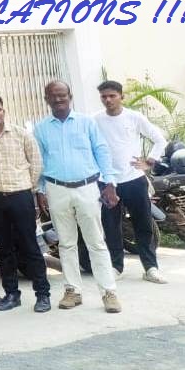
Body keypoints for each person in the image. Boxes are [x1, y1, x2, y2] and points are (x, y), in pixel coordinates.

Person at [33, 81, 122, 313]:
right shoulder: (41, 129)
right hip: (56, 189)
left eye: (62, 95)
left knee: (96, 242)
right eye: (53, 96)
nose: (58, 99)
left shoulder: (86, 122)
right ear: (46, 99)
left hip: (87, 187)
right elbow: (39, 161)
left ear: (70, 96)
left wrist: (109, 183)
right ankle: (73, 291)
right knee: (66, 243)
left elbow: (101, 150)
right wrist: (40, 190)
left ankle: (109, 292)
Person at [0, 95, 51, 313]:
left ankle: (43, 294)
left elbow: (36, 163)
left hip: (20, 196)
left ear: (3, 111)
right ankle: (12, 294)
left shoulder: (21, 134)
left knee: (30, 246)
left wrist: (26, 186)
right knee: (4, 249)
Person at [93, 80, 169, 283]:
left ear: (121, 96)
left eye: (112, 96)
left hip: (134, 179)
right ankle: (116, 267)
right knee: (111, 226)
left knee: (143, 224)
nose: (108, 100)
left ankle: (150, 268)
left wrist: (149, 161)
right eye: (104, 96)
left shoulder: (134, 117)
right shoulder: (96, 120)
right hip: (107, 182)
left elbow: (160, 139)